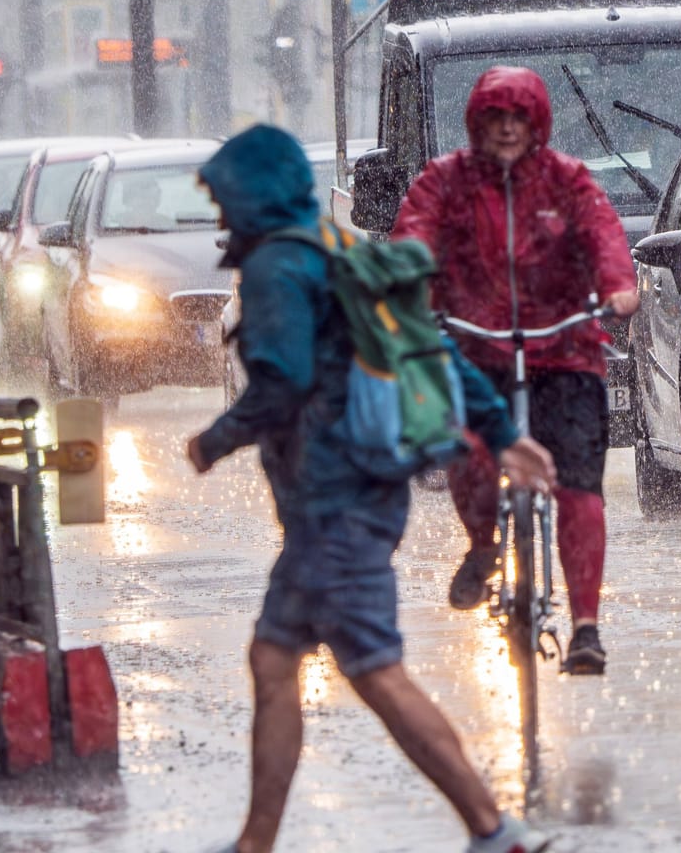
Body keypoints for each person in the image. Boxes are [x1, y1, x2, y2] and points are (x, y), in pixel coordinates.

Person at [185, 124, 558, 853]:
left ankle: (495, 830)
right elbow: (433, 347)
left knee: (377, 671)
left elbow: (284, 380)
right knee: (272, 660)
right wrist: (500, 430)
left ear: (250, 195)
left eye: (224, 198)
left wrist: (215, 440)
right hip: (355, 493)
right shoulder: (341, 248)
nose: (221, 214)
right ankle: (256, 842)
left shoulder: (275, 269)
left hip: (334, 504)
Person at [393, 66, 639, 676]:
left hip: (565, 351)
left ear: (537, 125)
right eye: (495, 119)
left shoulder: (568, 180)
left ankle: (585, 625)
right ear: (477, 123)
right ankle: (483, 546)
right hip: (478, 353)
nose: (506, 130)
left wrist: (617, 287)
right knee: (468, 452)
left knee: (580, 489)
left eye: (518, 119)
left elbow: (603, 234)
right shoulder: (444, 182)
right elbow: (415, 232)